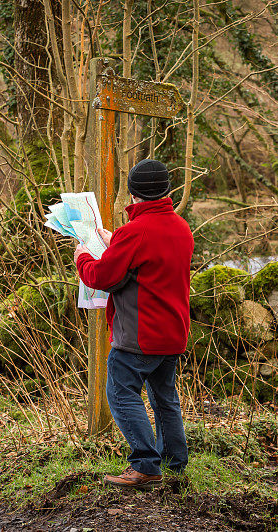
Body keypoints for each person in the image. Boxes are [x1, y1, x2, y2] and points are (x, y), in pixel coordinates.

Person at [74, 159, 194, 490]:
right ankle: (174, 462)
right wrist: (117, 242)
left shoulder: (135, 231)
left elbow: (102, 277)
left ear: (133, 193)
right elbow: (152, 264)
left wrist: (83, 256)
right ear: (167, 190)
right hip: (173, 333)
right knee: (164, 398)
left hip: (140, 336)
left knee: (121, 392)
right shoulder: (181, 228)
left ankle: (145, 466)